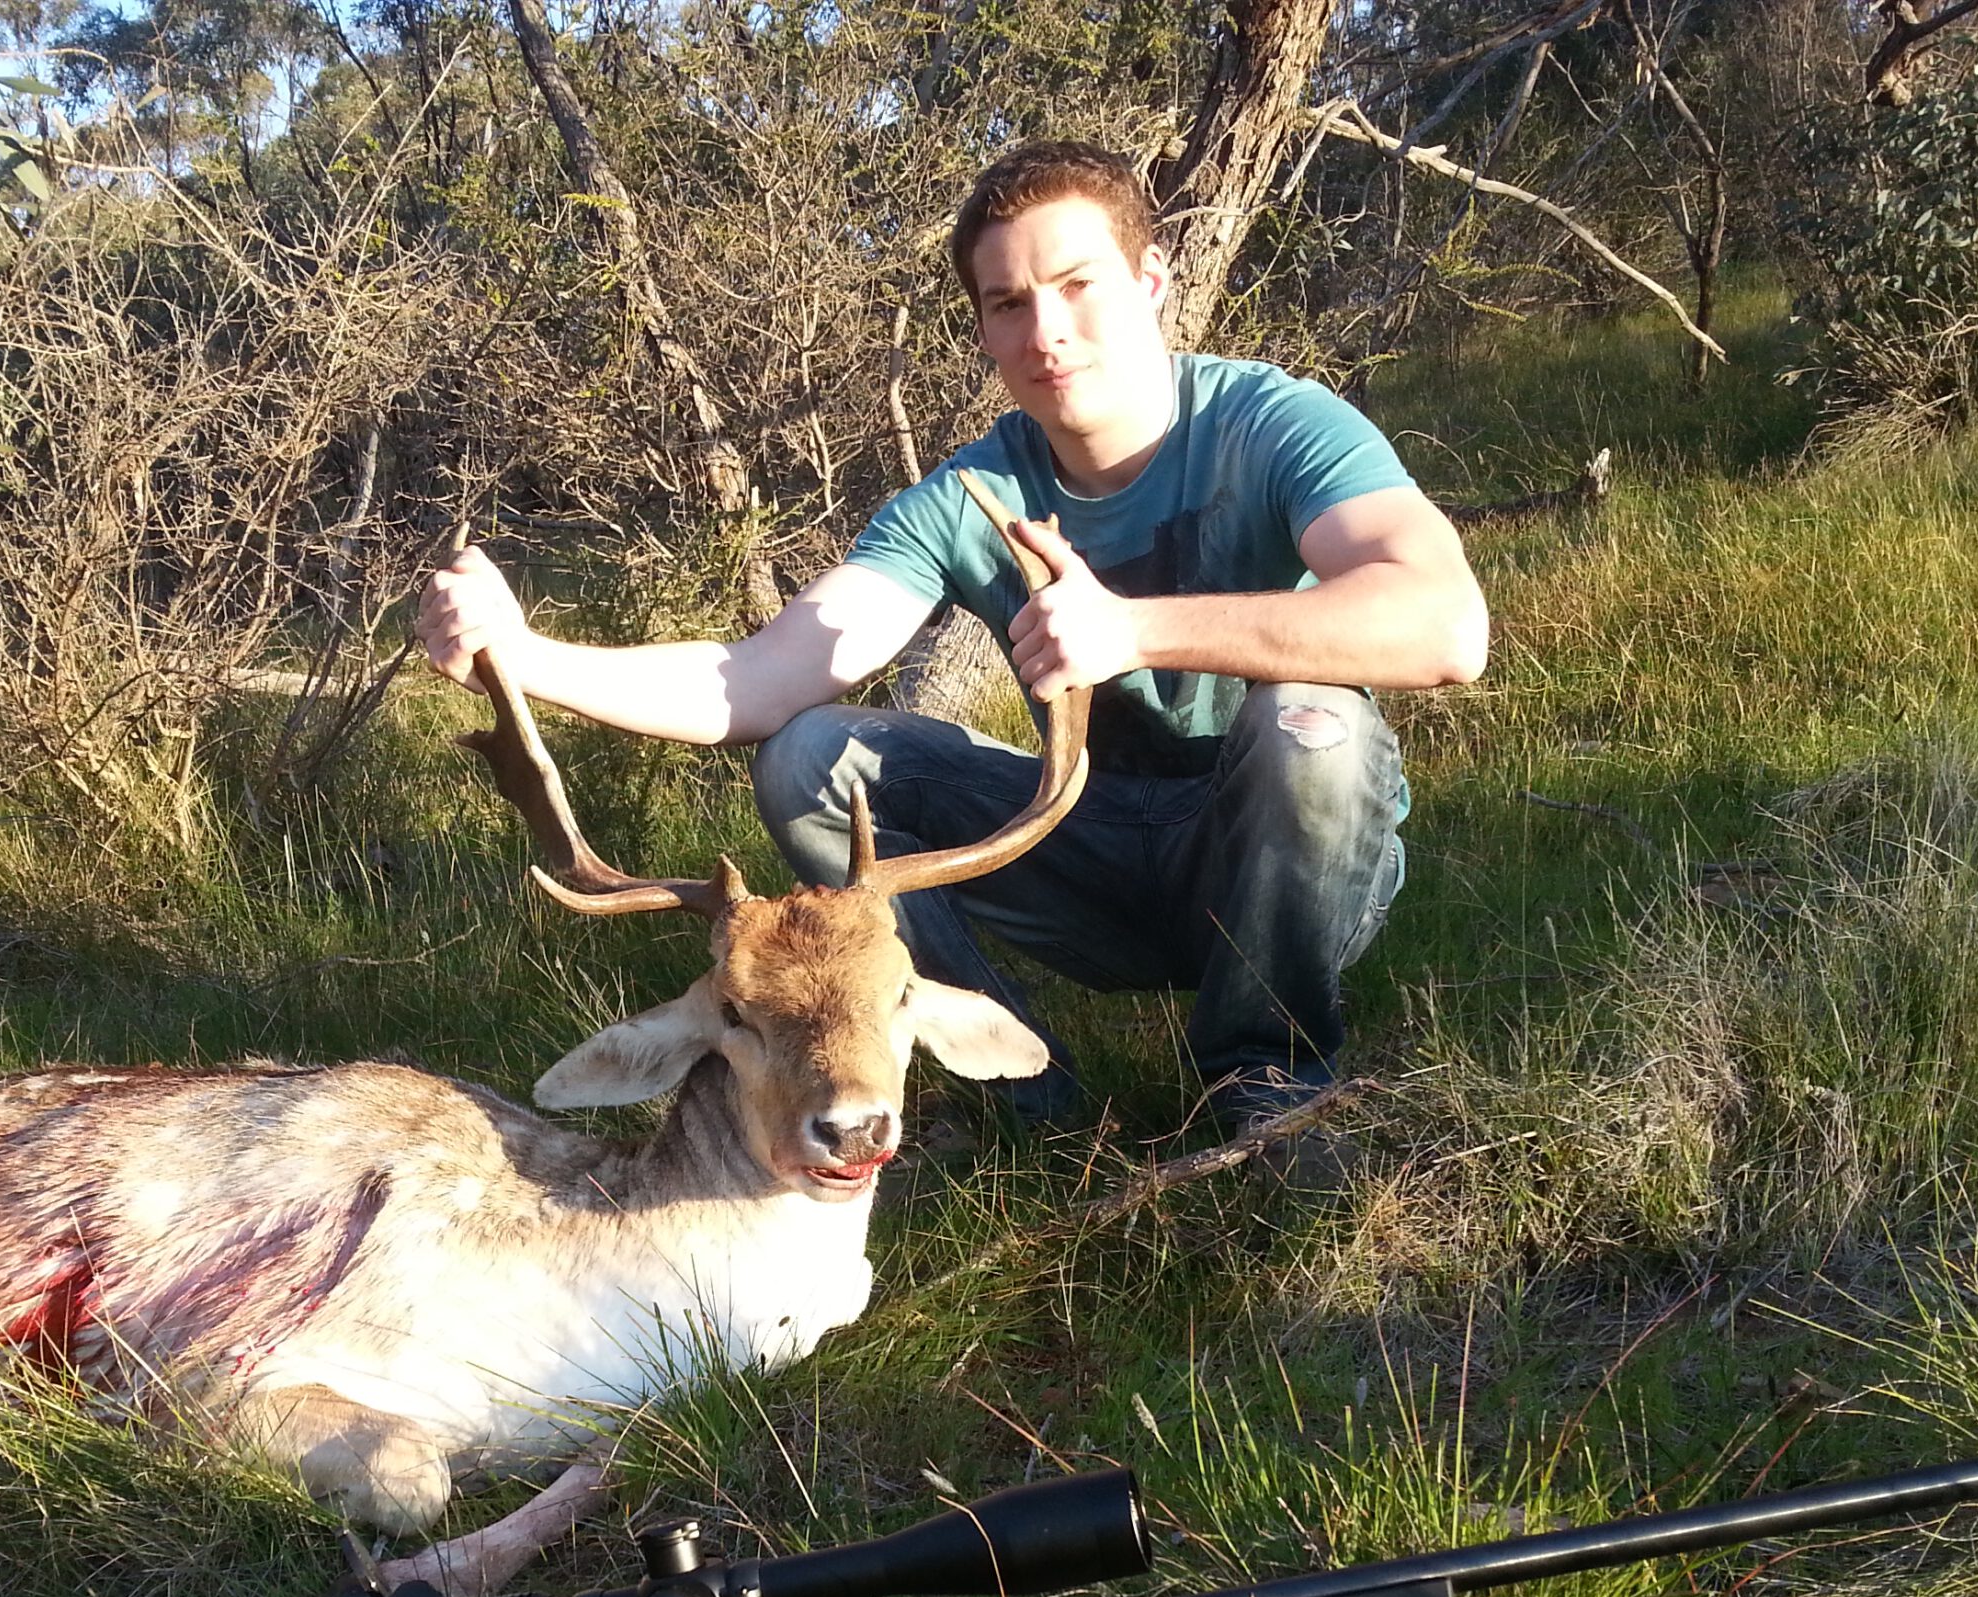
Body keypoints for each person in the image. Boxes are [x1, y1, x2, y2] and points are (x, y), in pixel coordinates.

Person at [419, 139, 1486, 1134]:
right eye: (1008, 303)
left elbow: (1445, 626)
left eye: (1077, 286)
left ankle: (1266, 1084)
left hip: (1284, 868)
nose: (1046, 331)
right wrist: (522, 653)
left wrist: (1133, 630)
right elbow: (753, 683)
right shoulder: (970, 492)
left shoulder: (1272, 424)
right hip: (1099, 852)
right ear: (982, 329)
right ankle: (1026, 1098)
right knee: (811, 759)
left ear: (1151, 282)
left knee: (1316, 729)